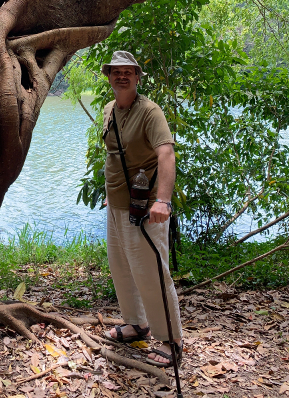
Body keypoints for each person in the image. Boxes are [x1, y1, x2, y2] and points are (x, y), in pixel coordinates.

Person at [101, 50, 182, 368]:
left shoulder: (150, 112)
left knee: (152, 273)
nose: (122, 76)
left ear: (136, 77)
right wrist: (110, 194)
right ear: (109, 76)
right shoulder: (109, 109)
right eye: (116, 71)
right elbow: (115, 155)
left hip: (146, 208)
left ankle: (171, 339)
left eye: (128, 72)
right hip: (117, 204)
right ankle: (137, 324)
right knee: (121, 267)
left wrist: (162, 200)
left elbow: (166, 155)